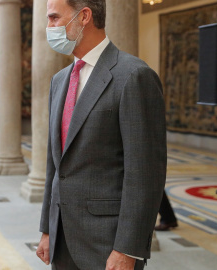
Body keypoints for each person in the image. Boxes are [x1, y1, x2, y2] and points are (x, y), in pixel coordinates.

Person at [36, 0, 167, 269]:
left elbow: (145, 174)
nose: (48, 27)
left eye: (54, 18)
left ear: (84, 16)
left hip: (107, 245)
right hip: (62, 241)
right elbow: (55, 164)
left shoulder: (133, 76)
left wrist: (127, 249)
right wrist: (47, 229)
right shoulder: (59, 80)